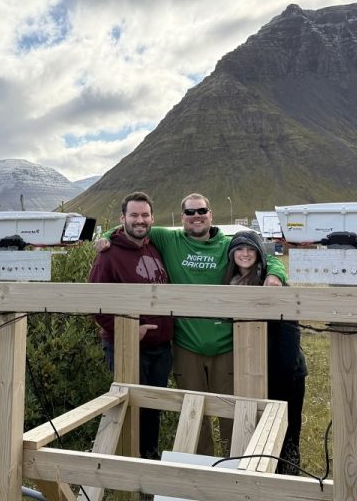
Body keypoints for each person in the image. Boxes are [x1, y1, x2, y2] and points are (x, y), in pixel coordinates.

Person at [100, 193, 287, 456]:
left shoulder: (227, 244)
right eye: (189, 212)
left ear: (211, 214)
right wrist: (105, 238)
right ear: (183, 218)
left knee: (233, 409)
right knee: (193, 412)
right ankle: (199, 470)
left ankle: (237, 466)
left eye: (201, 211)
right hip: (187, 345)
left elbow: (266, 257)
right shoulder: (169, 239)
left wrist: (276, 276)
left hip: (226, 345)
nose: (195, 216)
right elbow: (131, 228)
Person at [88, 191, 174, 460]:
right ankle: (126, 465)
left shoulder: (154, 247)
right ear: (122, 218)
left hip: (161, 347)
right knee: (130, 407)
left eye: (145, 215)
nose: (140, 220)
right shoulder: (107, 255)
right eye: (134, 215)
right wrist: (127, 331)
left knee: (153, 408)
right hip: (127, 346)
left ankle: (149, 459)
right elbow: (96, 303)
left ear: (152, 218)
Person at [223, 230, 308, 475]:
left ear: (259, 252)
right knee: (259, 426)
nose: (245, 254)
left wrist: (283, 374)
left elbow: (291, 331)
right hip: (251, 370)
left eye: (250, 249)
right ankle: (261, 474)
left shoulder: (273, 282)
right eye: (239, 249)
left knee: (288, 427)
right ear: (232, 254)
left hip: (285, 369)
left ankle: (288, 473)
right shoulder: (229, 284)